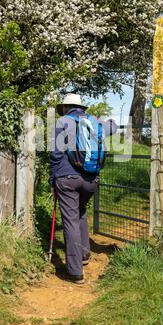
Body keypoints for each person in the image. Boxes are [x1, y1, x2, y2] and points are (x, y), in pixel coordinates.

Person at [49, 93, 117, 284]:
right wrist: (100, 119)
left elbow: (55, 154)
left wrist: (52, 179)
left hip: (66, 178)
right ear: (81, 108)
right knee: (80, 213)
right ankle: (85, 254)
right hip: (90, 180)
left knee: (70, 219)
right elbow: (113, 126)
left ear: (64, 108)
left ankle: (75, 271)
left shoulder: (62, 122)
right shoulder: (94, 122)